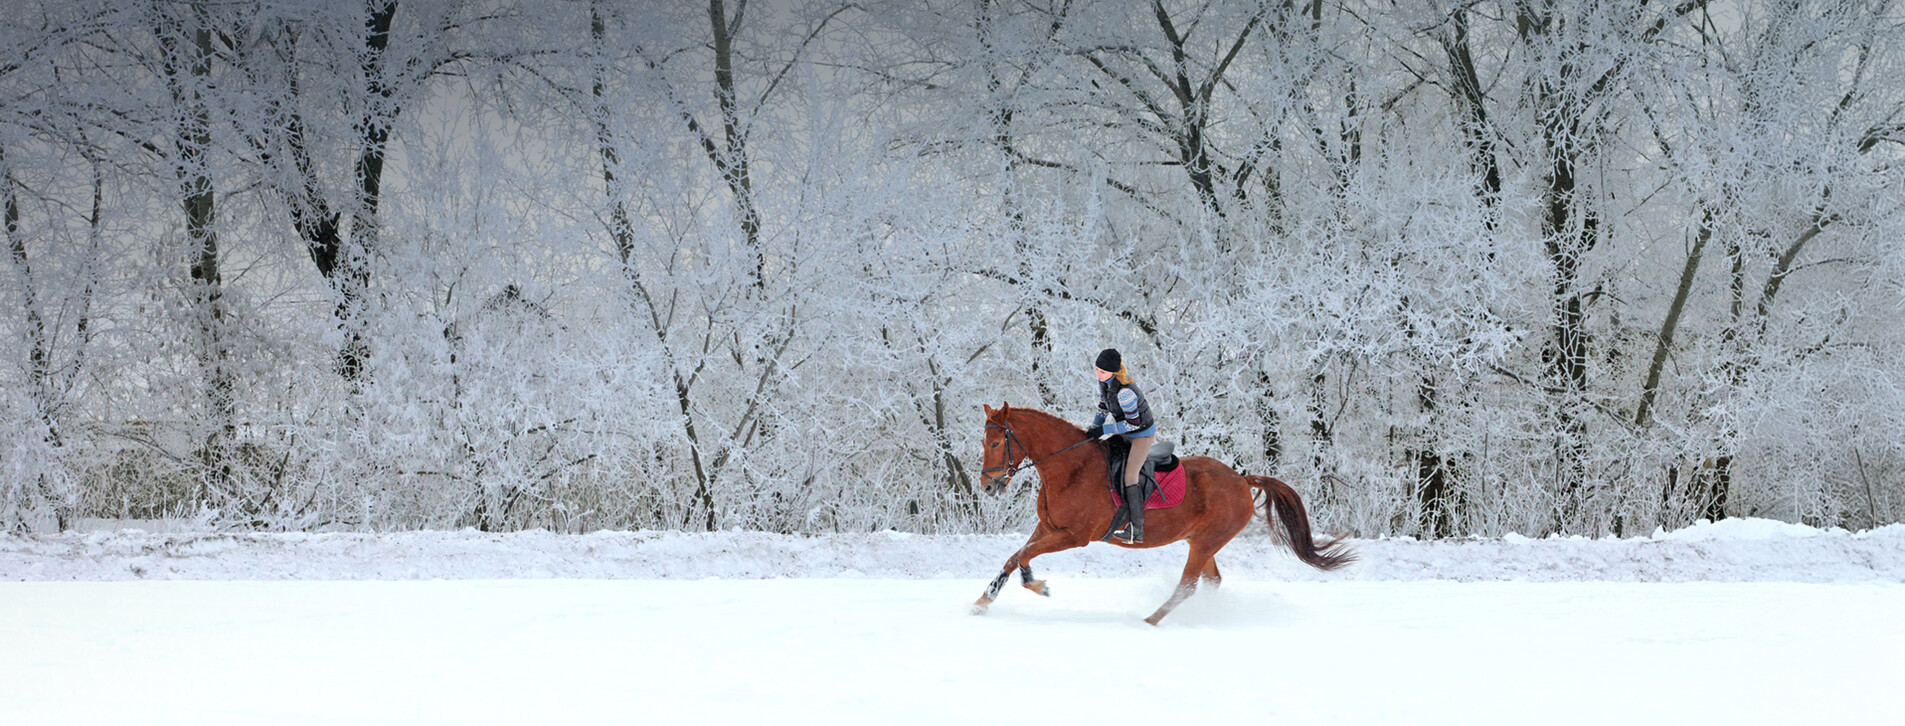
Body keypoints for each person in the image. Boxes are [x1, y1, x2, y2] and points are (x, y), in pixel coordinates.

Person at [1082, 348, 1156, 544]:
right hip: (1125, 431)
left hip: (1141, 434)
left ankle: (1136, 529)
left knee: (1130, 476)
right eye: (1096, 369)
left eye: (1103, 372)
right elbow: (1103, 406)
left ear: (1114, 372)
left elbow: (1134, 423)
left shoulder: (1125, 393)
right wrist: (1094, 428)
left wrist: (1105, 429)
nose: (1098, 374)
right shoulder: (1104, 384)